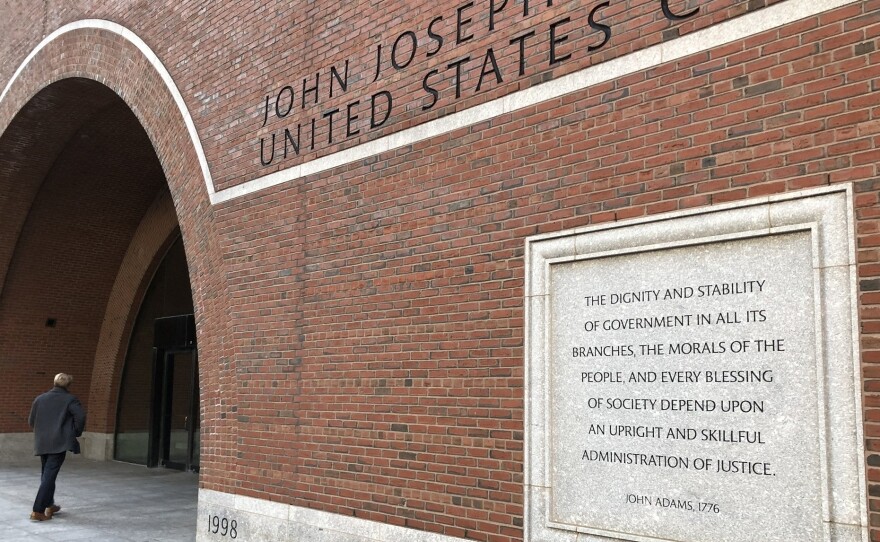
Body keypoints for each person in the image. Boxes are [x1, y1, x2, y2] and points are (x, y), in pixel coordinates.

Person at [27, 373, 86, 521]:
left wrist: (43, 431)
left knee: (47, 474)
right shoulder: (70, 399)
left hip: (42, 441)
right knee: (49, 475)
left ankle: (49, 504)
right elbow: (81, 417)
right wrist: (75, 432)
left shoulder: (40, 399)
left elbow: (31, 421)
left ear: (54, 382)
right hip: (59, 442)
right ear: (68, 385)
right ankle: (37, 511)